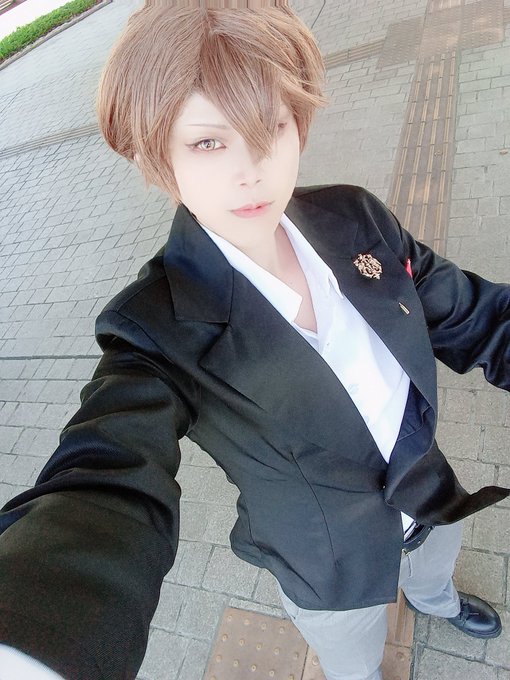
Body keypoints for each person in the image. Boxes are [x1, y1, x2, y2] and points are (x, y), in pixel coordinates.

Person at [0, 2, 509, 679]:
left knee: (435, 571)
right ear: (157, 155)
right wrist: (35, 641)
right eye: (208, 142)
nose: (253, 169)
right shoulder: (155, 327)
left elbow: (478, 318)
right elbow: (107, 478)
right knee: (355, 666)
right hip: (330, 569)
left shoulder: (355, 217)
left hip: (433, 495)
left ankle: (437, 601)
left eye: (271, 125)